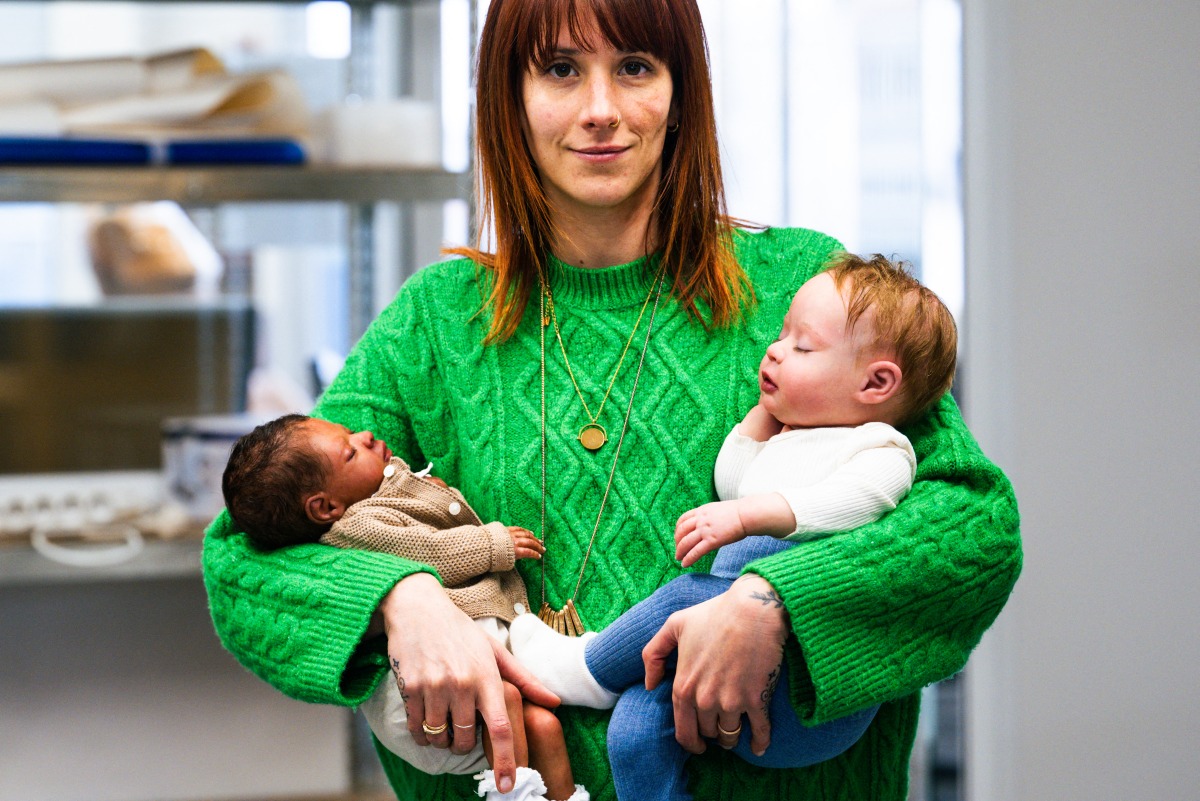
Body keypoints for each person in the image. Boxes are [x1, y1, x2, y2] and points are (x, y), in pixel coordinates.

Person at [201, 1, 1022, 800]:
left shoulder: (802, 290)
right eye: (560, 69)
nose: (601, 110)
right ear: (508, 98)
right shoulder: (436, 320)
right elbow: (244, 551)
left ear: (681, 92)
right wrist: (398, 598)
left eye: (634, 67)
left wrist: (777, 603)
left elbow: (973, 525)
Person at [508, 252, 955, 801]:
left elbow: (851, 504)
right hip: (715, 670)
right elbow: (735, 478)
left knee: (692, 595)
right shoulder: (793, 436)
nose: (775, 348)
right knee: (634, 728)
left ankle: (585, 669)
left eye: (803, 345)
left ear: (876, 382)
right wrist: (764, 417)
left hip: (808, 693)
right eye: (782, 334)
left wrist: (746, 518)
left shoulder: (880, 448)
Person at [220, 414, 586, 801]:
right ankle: (511, 794)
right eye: (350, 451)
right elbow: (430, 551)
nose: (364, 434)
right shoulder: (357, 525)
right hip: (427, 705)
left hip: (470, 678)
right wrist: (493, 545)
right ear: (324, 507)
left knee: (543, 726)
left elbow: (423, 510)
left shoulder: (378, 490)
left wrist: (434, 493)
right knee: (508, 702)